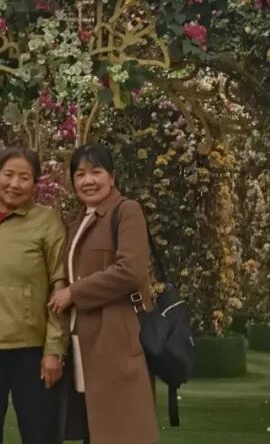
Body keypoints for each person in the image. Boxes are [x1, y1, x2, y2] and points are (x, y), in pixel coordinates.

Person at [47, 142, 158, 444]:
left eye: (96, 172)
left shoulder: (126, 211)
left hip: (116, 344)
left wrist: (74, 292)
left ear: (112, 177)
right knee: (93, 429)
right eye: (80, 174)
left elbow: (130, 270)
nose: (88, 180)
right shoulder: (78, 222)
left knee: (121, 432)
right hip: (83, 346)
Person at [0, 147, 69, 444]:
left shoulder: (47, 221)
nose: (14, 184)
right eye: (8, 175)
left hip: (30, 352)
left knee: (40, 435)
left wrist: (54, 349)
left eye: (24, 177)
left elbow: (60, 285)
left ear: (35, 184)